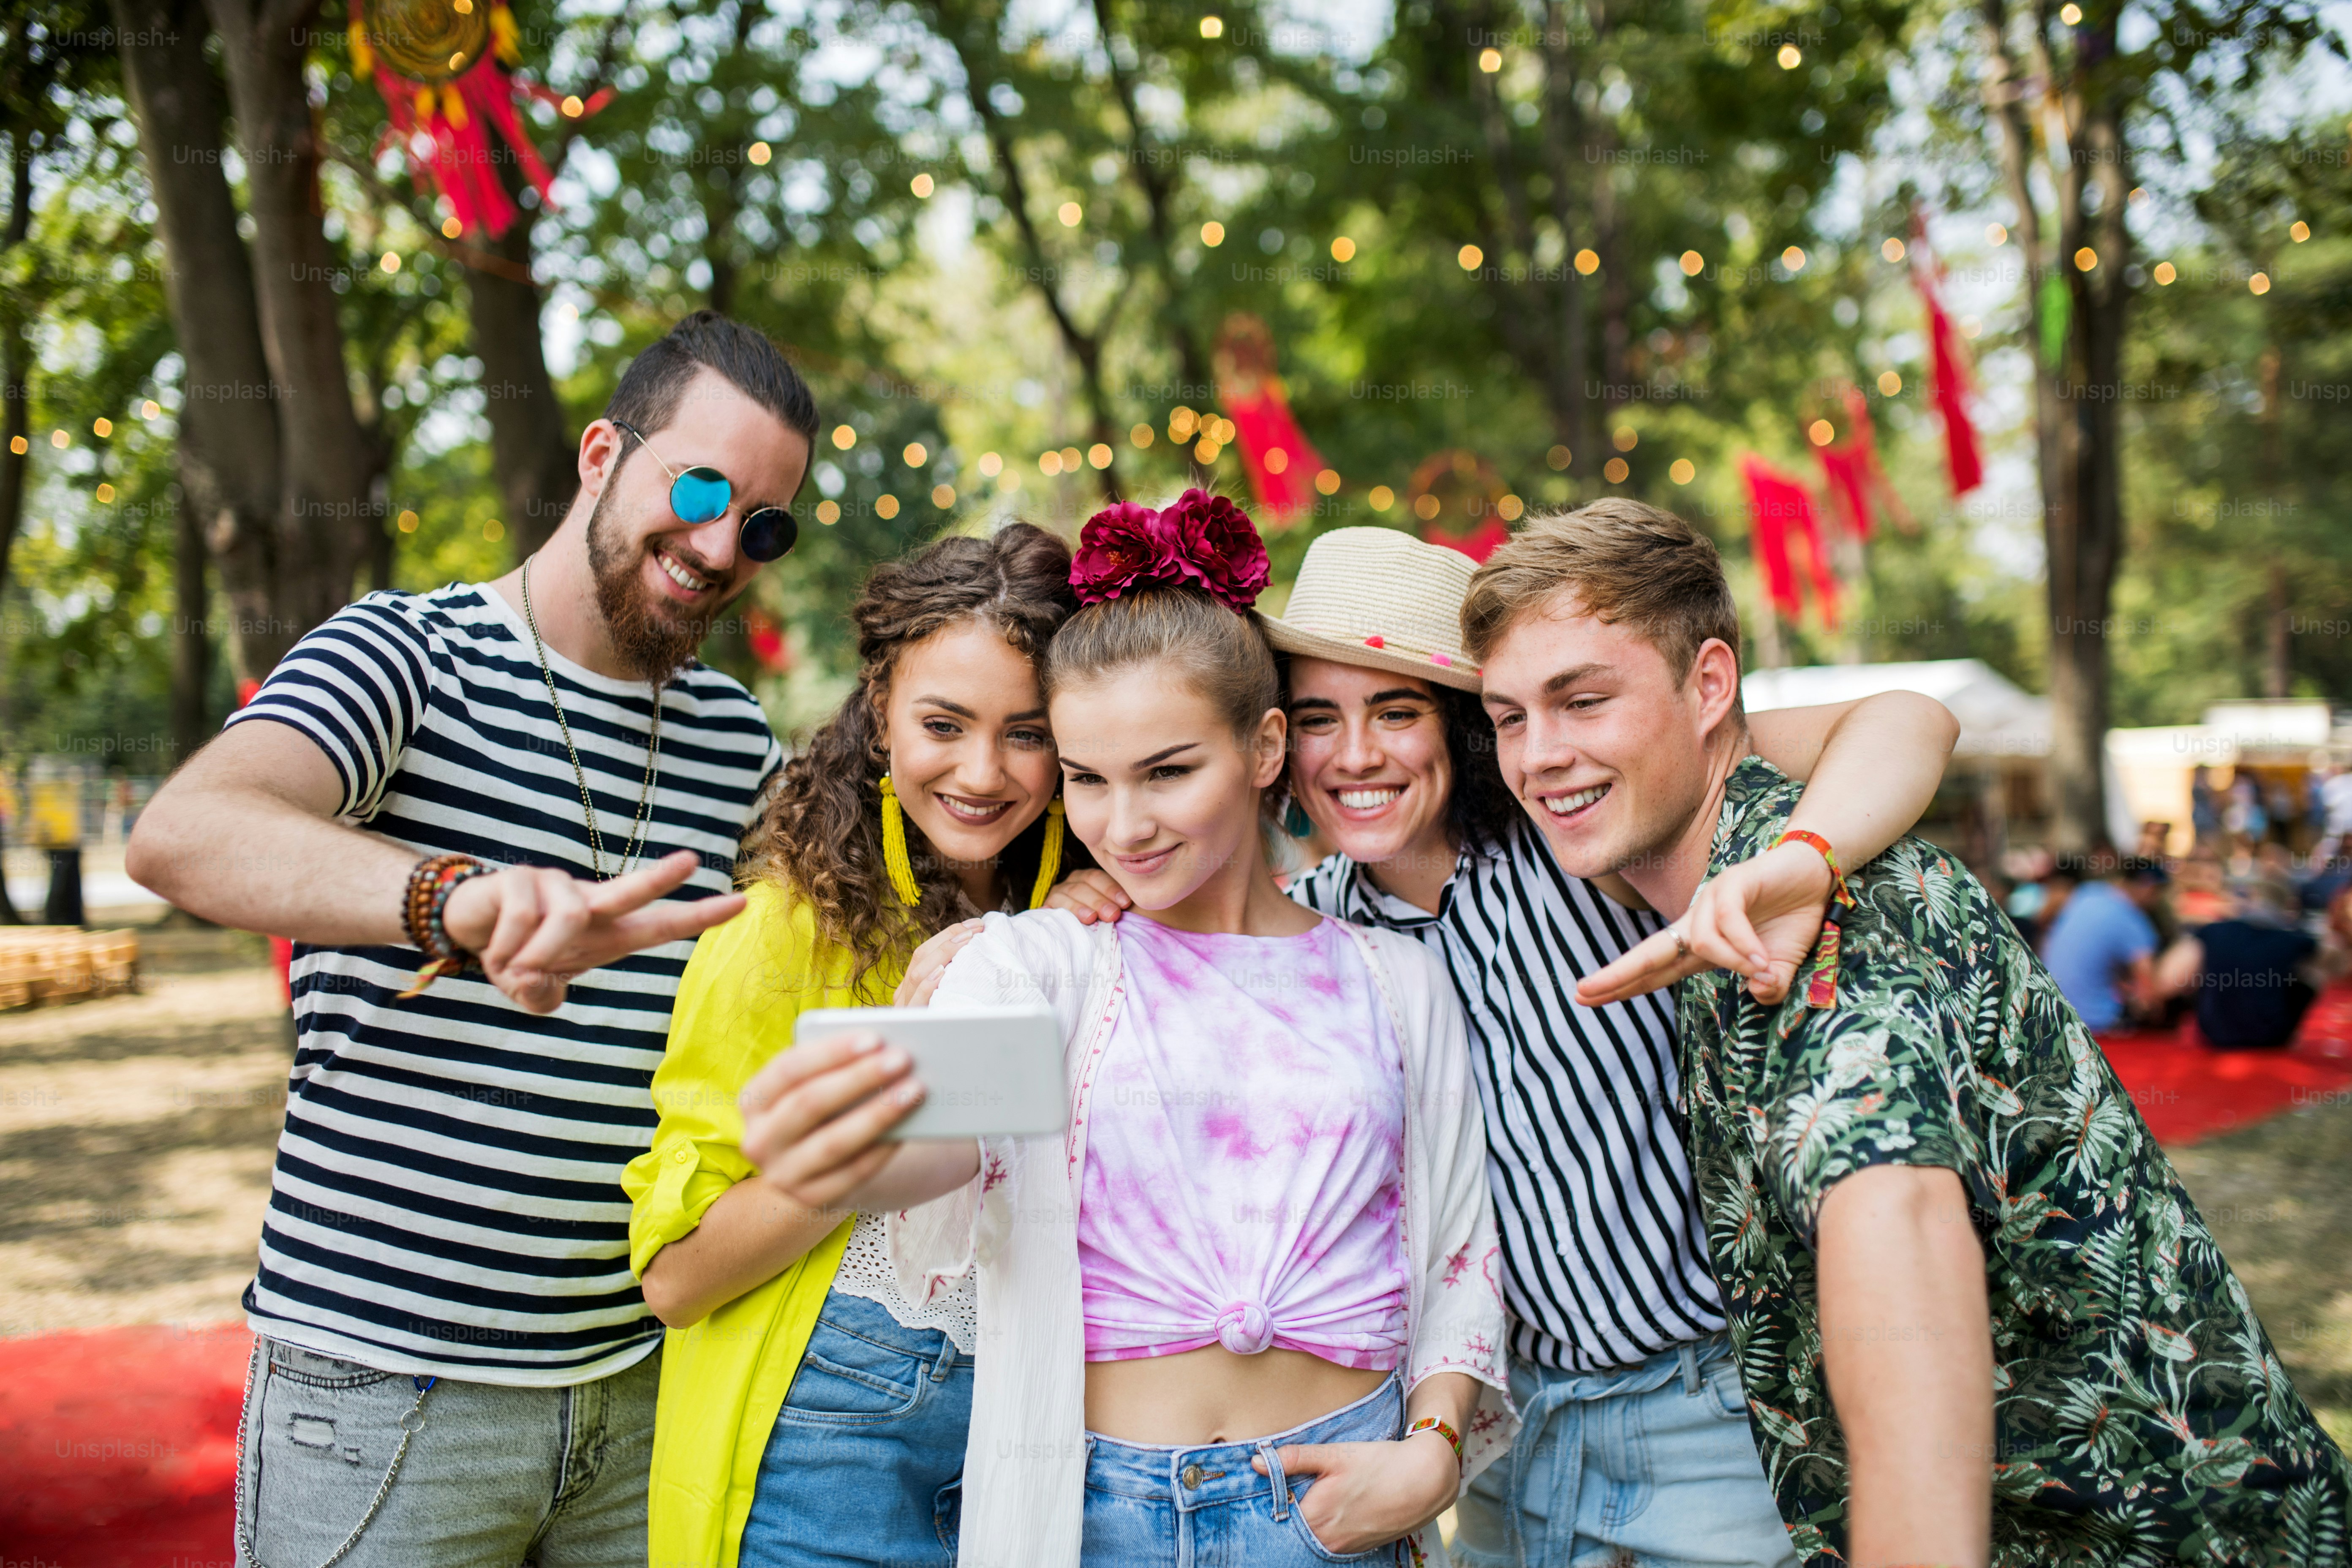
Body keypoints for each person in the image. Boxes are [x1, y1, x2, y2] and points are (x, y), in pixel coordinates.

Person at [966, 524, 1959, 1568]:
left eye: (1395, 713)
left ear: (1460, 727)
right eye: (1319, 720)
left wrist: (1805, 857)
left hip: (1696, 1405)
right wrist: (1091, 891)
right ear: (1272, 745)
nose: (1354, 755)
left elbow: (1905, 718)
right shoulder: (1318, 939)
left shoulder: (1585, 842)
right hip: (1512, 1435)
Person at [1471, 501, 2350, 1567]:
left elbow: (1886, 1205)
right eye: (1509, 717)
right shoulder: (1760, 856)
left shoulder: (1820, 930)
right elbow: (1894, 716)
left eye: (1582, 700)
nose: (1538, 757)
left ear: (1708, 685)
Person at [125, 311, 812, 1567]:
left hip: (637, 1393)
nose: (721, 545)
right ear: (603, 453)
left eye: (761, 524)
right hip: (387, 1396)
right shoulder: (408, 654)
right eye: (699, 487)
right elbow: (184, 829)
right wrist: (458, 898)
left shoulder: (739, 744)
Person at [740, 492, 1513, 1568]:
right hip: (1099, 1516)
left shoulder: (1395, 976)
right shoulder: (1036, 963)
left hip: (1340, 1505)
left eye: (1167, 771)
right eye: (1087, 781)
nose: (1124, 823)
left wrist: (1431, 1450)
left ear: (1262, 746)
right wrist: (842, 1140)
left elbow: (1458, 1246)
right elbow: (942, 1151)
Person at [622, 525, 1080, 1568]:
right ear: (879, 710)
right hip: (835, 1442)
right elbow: (676, 1277)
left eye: (1028, 733)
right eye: (944, 723)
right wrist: (871, 1155)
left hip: (1037, 1433)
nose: (981, 771)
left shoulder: (1089, 918)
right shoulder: (782, 928)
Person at [2180, 879, 2324, 1049]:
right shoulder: (2296, 941)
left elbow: (2174, 976)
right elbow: (2332, 960)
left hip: (2215, 1034)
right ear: (2289, 906)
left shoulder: (2213, 932)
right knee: (2312, 971)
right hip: (2273, 1037)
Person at [2039, 855, 2167, 1031]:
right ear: (2148, 886)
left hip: (2053, 1011)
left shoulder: (2087, 893)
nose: (2157, 901)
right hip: (2097, 1022)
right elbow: (2149, 997)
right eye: (2158, 893)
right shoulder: (2132, 921)